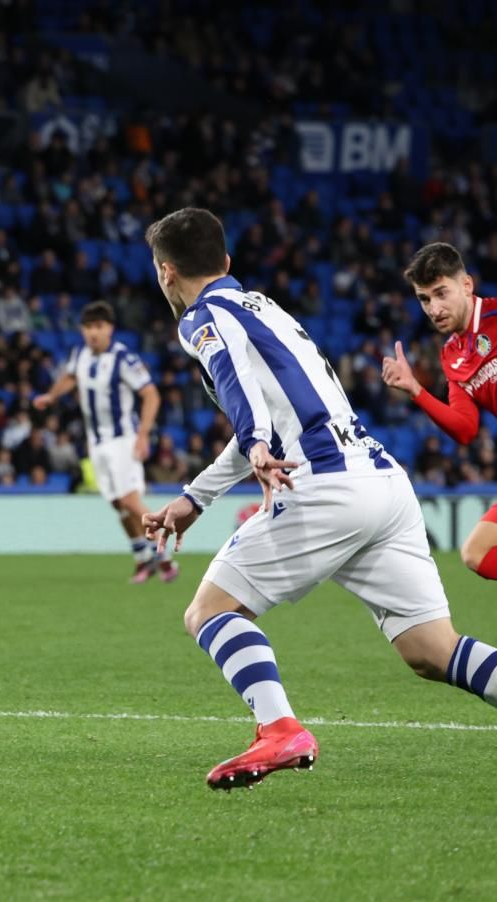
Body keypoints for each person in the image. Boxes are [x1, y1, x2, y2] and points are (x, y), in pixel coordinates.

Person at [140, 208, 497, 791]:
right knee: (432, 650)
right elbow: (270, 408)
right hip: (383, 482)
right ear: (227, 263)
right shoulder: (265, 307)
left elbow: (235, 384)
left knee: (209, 611)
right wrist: (195, 497)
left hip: (325, 487)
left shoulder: (201, 317)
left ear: (165, 272)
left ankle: (279, 729)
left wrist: (255, 442)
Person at [33, 300, 176, 583]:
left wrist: (143, 434)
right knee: (117, 504)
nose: (93, 333)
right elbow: (70, 377)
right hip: (96, 443)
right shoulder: (80, 355)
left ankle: (165, 555)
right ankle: (143, 558)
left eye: (98, 327)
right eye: (88, 327)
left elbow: (151, 394)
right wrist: (51, 396)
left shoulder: (124, 358)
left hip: (123, 439)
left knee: (129, 499)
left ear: (110, 328)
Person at [381, 242, 497, 578]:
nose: (434, 308)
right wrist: (416, 389)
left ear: (466, 285)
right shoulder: (452, 356)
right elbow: (465, 428)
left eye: (441, 293)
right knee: (476, 554)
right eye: (425, 299)